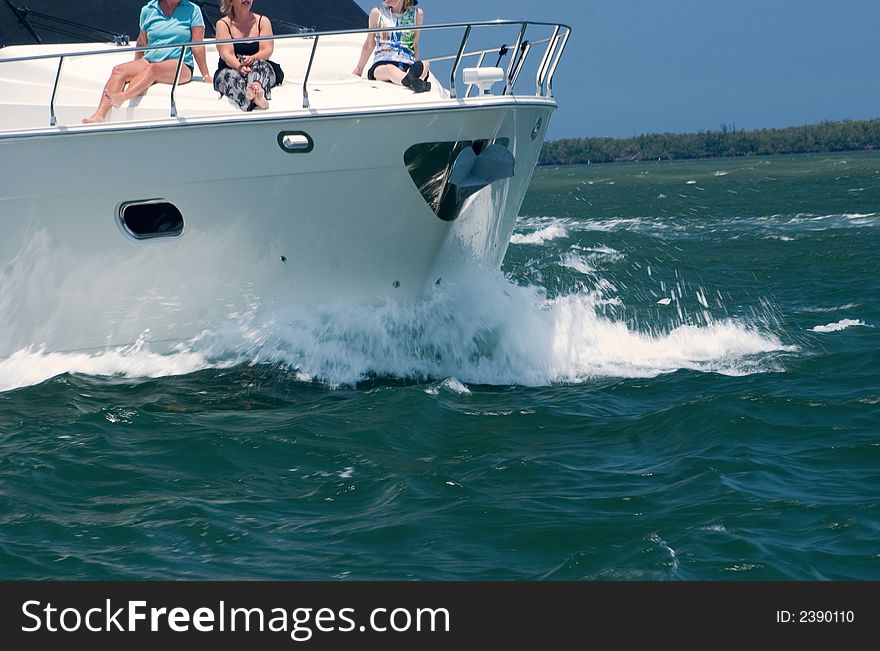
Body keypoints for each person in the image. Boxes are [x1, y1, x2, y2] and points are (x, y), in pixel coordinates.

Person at [83, 0, 212, 123]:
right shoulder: (148, 10)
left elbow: (197, 45)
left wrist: (205, 75)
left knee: (154, 69)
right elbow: (142, 41)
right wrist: (136, 64)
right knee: (119, 70)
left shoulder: (193, 10)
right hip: (150, 59)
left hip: (180, 64)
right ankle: (100, 114)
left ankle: (122, 97)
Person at [213, 0, 282, 111]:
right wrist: (239, 67)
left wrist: (253, 58)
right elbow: (226, 54)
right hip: (231, 68)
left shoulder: (263, 22)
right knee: (230, 76)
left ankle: (256, 89)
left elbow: (267, 50)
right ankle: (253, 96)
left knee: (261, 66)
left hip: (258, 67)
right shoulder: (223, 24)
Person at [353, 0, 431, 93]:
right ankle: (412, 81)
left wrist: (415, 63)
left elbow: (415, 44)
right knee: (389, 69)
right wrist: (359, 69)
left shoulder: (417, 14)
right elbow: (370, 43)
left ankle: (413, 78)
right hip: (382, 63)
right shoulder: (377, 13)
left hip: (407, 62)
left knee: (426, 63)